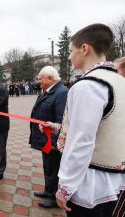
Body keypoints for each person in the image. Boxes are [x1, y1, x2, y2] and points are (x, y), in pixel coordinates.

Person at [42, 24, 125, 217]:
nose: (69, 56)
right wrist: (56, 127)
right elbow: (107, 124)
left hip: (92, 182)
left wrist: (65, 187)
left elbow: (81, 141)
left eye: (71, 51)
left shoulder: (88, 86)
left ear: (84, 49)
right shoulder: (119, 82)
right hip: (116, 179)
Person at [29, 66, 68, 208]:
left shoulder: (61, 93)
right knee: (48, 166)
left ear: (50, 78)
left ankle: (53, 198)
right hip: (44, 138)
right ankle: (48, 190)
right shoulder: (47, 91)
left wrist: (53, 141)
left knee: (54, 168)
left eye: (40, 78)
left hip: (52, 140)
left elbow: (62, 120)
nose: (38, 81)